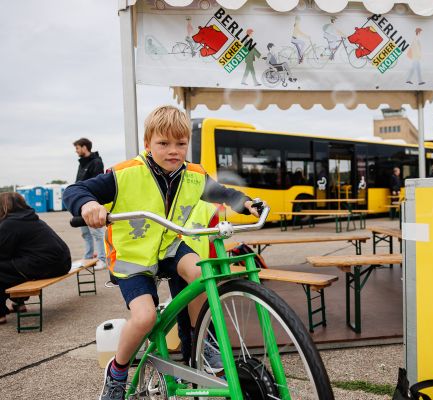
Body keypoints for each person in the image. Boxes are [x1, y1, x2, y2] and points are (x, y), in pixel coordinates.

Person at [63, 106, 262, 400]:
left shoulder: (193, 175)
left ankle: (201, 341)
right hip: (134, 257)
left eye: (181, 143)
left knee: (201, 271)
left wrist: (244, 203)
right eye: (164, 143)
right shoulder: (125, 174)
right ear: (147, 144)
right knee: (144, 318)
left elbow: (221, 193)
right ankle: (117, 372)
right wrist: (87, 205)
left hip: (170, 246)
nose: (174, 151)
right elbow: (74, 190)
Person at [0, 192, 71, 324]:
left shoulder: (10, 223)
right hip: (63, 263)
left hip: (45, 265)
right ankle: (19, 304)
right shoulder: (32, 218)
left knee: (4, 269)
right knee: (13, 266)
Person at [73, 137, 106, 270]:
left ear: (84, 147)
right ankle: (88, 257)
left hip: (93, 204)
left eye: (77, 148)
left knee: (97, 233)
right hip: (82, 205)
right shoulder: (82, 163)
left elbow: (97, 184)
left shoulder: (96, 162)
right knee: (86, 234)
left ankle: (103, 260)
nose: (76, 151)